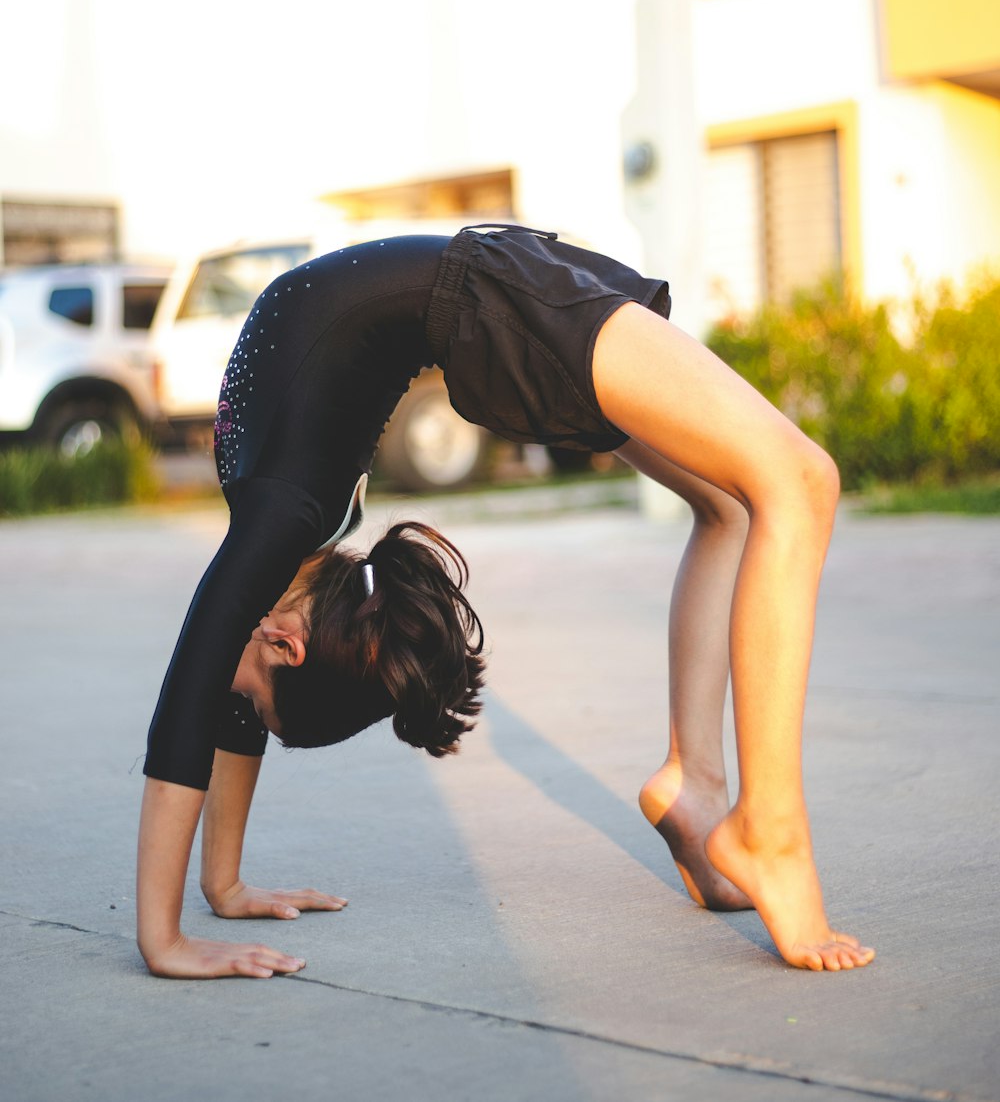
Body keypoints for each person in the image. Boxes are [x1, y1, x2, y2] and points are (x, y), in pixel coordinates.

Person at [137, 225, 874, 979]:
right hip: (489, 300)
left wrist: (165, 936)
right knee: (783, 486)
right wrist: (221, 886)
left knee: (760, 496)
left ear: (286, 642)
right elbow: (220, 692)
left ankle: (730, 807)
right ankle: (736, 813)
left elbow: (189, 699)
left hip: (491, 296)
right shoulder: (293, 545)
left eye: (254, 703)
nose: (236, 705)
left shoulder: (280, 517)